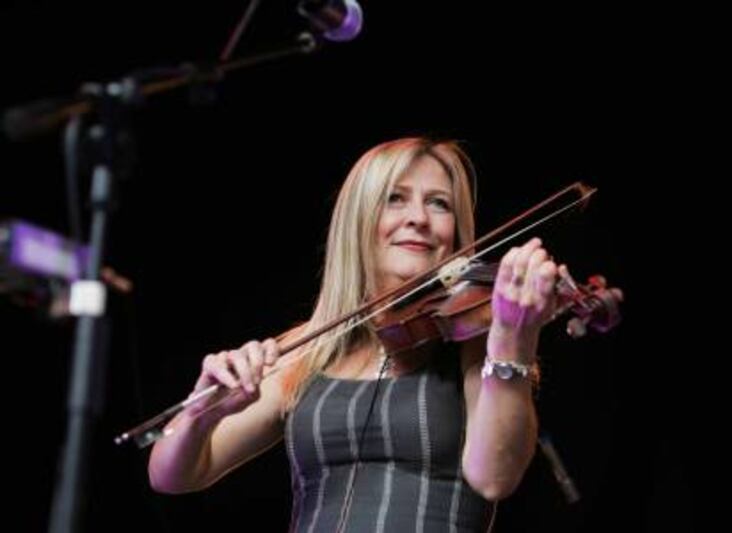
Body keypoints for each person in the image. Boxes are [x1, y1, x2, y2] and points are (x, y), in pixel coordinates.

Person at [148, 137, 560, 532]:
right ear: (359, 219)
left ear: (455, 232)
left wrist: (512, 338)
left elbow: (494, 479)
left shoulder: (476, 341)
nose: (417, 217)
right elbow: (173, 475)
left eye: (439, 203)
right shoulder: (311, 348)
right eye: (394, 198)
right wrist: (202, 413)